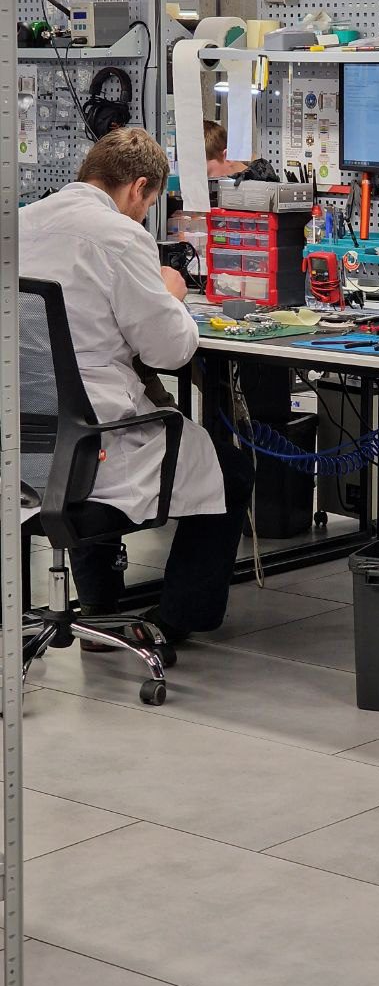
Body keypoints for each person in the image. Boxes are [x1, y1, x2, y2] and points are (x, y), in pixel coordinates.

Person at [19, 127, 253, 646]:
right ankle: (173, 621)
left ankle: (99, 608)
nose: (142, 216)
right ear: (138, 187)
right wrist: (171, 294)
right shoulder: (121, 237)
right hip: (95, 444)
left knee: (82, 438)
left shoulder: (18, 225)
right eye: (146, 205)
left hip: (23, 445)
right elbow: (170, 351)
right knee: (231, 470)